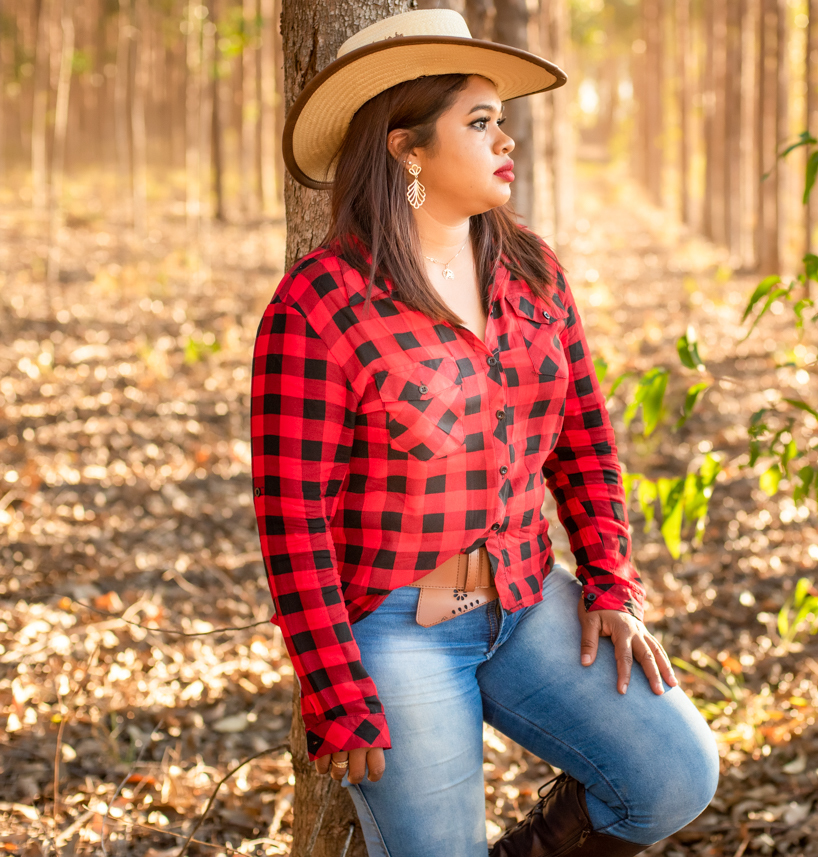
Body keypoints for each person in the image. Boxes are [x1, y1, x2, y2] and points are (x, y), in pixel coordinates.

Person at [251, 8, 720, 856]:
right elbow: (293, 524)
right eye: (479, 122)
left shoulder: (533, 271)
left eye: (502, 119)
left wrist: (611, 582)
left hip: (525, 592)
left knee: (676, 772)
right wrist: (336, 690)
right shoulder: (318, 307)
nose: (508, 140)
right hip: (395, 628)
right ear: (408, 150)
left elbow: (583, 438)